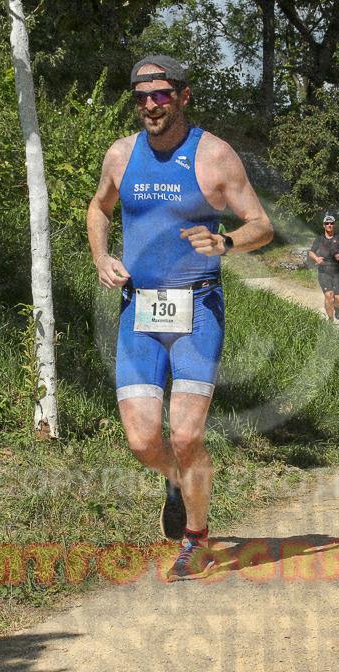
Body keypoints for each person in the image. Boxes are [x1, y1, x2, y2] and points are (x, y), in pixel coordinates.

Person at [87, 55, 273, 581]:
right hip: (139, 311)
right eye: (142, 96)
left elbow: (260, 225)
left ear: (183, 96)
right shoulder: (121, 155)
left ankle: (196, 537)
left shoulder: (214, 156)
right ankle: (175, 480)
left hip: (198, 310)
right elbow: (99, 209)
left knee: (187, 435)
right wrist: (102, 257)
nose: (150, 104)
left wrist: (227, 242)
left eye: (161, 94)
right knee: (145, 442)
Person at [308, 215, 339, 322]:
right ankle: (330, 320)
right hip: (324, 270)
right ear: (324, 225)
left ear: (334, 225)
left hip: (337, 271)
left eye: (331, 223)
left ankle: (336, 307)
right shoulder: (319, 239)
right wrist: (316, 258)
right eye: (327, 223)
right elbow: (311, 252)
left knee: (338, 299)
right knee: (328, 295)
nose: (329, 225)